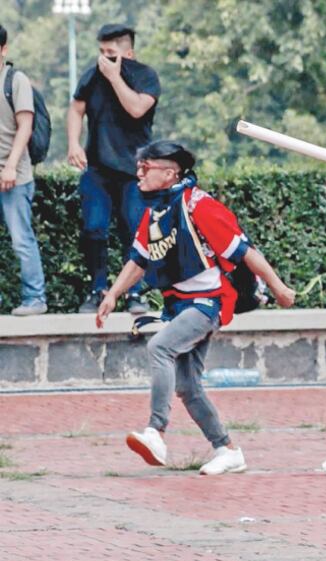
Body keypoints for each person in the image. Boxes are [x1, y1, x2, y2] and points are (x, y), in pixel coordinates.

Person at [95, 140, 296, 475]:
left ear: (171, 173)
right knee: (188, 386)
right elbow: (139, 260)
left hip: (208, 304)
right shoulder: (156, 212)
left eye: (147, 167)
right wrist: (113, 294)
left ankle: (156, 432)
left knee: (160, 347)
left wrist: (277, 287)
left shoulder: (198, 205)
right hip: (180, 307)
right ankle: (228, 450)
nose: (139, 173)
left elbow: (244, 250)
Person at [68, 23, 160, 314]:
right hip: (97, 169)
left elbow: (136, 108)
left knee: (134, 232)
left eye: (111, 53)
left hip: (135, 172)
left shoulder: (146, 76)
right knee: (93, 229)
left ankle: (133, 293)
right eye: (101, 52)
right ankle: (97, 289)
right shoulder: (92, 75)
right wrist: (73, 143)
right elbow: (76, 108)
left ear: (128, 53)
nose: (104, 59)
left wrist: (115, 77)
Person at [0, 23, 46, 316]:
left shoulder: (15, 80)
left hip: (14, 175)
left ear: (3, 50)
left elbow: (25, 126)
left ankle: (35, 299)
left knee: (21, 239)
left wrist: (10, 167)